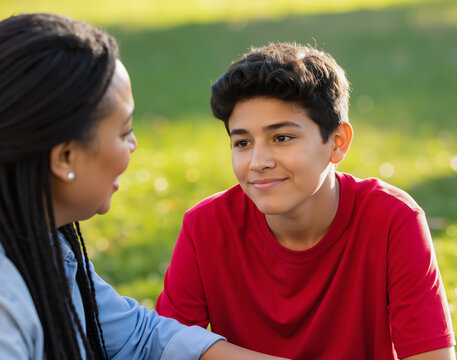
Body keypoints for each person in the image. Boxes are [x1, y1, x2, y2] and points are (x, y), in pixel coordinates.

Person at [0, 13, 290, 360]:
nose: (134, 143)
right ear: (64, 157)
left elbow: (140, 337)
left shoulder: (43, 243)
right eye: (124, 132)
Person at [156, 43, 457, 359]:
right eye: (242, 142)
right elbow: (166, 347)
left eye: (282, 138)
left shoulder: (392, 219)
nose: (258, 161)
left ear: (337, 143)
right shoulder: (205, 227)